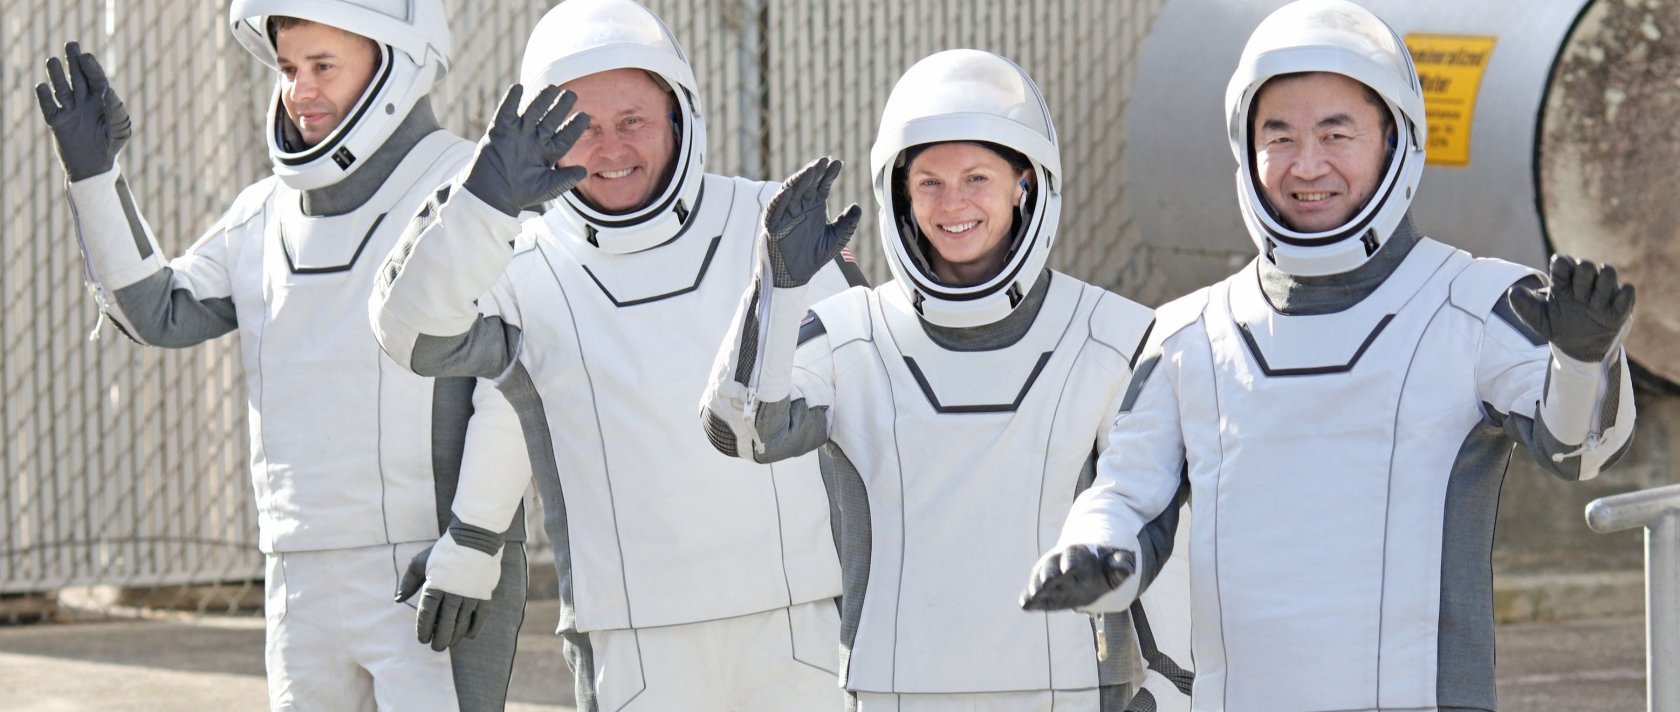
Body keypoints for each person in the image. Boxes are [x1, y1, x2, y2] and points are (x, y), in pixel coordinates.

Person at [1019, 1, 1638, 710]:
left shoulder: (1475, 304)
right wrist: (1094, 552)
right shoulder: (1189, 334)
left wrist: (1584, 360)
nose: (1306, 164)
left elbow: (1582, 450)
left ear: (1395, 139)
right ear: (1244, 148)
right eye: (1278, 135)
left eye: (1335, 133)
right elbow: (1129, 497)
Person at [367, 0, 868, 709]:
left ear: (680, 115)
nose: (610, 149)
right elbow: (411, 336)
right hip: (631, 643)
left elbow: (876, 414)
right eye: (580, 128)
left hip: (806, 627)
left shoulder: (779, 228)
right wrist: (480, 204)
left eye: (631, 121)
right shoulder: (516, 256)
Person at [35, 2, 533, 710]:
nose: (299, 90)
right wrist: (93, 178)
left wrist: (478, 538)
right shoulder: (263, 212)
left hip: (433, 569)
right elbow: (157, 311)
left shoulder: (475, 187)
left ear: (402, 58)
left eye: (323, 65)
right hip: (298, 574)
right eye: (290, 68)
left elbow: (513, 374)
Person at [700, 49, 1192, 712]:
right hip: (893, 691)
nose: (952, 202)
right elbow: (740, 434)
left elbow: (1156, 523)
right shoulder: (848, 334)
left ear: (1027, 183)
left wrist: (1170, 684)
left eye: (977, 178)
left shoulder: (1114, 335)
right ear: (897, 193)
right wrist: (776, 294)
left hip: (1070, 692)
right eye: (928, 181)